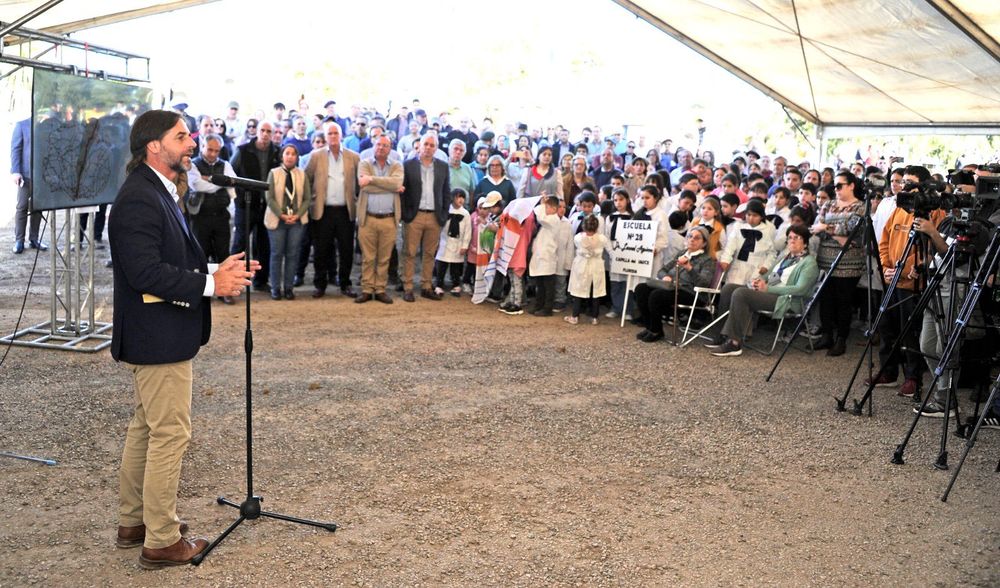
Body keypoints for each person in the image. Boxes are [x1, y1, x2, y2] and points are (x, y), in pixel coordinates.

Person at [109, 110, 258, 569]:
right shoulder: (139, 198)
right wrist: (213, 287)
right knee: (170, 433)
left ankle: (135, 522)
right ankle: (161, 540)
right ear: (155, 146)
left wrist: (216, 270)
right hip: (157, 336)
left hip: (158, 332)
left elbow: (171, 259)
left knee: (146, 429)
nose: (191, 143)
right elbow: (145, 273)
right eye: (181, 137)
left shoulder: (160, 190)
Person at [706, 225, 819, 356]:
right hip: (771, 294)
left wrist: (768, 288)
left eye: (797, 238)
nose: (792, 241)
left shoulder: (809, 263)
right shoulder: (786, 258)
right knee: (728, 288)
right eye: (790, 238)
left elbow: (801, 289)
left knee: (741, 294)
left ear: (805, 243)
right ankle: (721, 335)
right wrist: (757, 281)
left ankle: (734, 343)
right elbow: (768, 275)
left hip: (788, 300)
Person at [810, 170, 865, 357]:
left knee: (844, 302)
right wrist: (836, 233)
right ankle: (827, 336)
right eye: (835, 186)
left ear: (851, 185)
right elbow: (817, 227)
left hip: (849, 263)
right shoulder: (828, 204)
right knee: (826, 300)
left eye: (840, 185)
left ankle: (842, 339)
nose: (837, 189)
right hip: (825, 260)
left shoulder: (860, 207)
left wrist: (827, 228)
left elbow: (853, 228)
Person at [304, 121, 360, 298]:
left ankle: (345, 283)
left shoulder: (353, 157)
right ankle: (320, 284)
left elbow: (359, 184)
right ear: (325, 137)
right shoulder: (316, 156)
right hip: (323, 210)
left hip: (345, 211)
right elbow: (306, 179)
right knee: (321, 249)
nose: (333, 137)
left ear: (341, 135)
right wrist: (310, 200)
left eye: (336, 133)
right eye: (330, 134)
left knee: (346, 250)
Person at [632, 225, 716, 342]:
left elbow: (703, 283)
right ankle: (650, 327)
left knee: (656, 295)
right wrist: (665, 276)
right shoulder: (682, 254)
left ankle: (656, 330)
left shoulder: (707, 260)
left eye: (697, 238)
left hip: (691, 293)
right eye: (690, 236)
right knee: (641, 289)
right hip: (671, 287)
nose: (692, 239)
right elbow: (662, 270)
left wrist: (689, 268)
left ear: (704, 243)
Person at [186, 134, 237, 304]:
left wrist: (210, 180)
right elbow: (197, 185)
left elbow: (233, 185)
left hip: (222, 216)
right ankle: (202, 291)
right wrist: (221, 183)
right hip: (200, 217)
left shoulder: (226, 164)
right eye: (210, 149)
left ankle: (225, 290)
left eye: (217, 151)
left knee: (223, 255)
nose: (213, 154)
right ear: (202, 147)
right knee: (200, 254)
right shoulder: (192, 164)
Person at [230, 120, 280, 291]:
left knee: (263, 244)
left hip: (267, 206)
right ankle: (232, 282)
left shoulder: (277, 152)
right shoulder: (243, 150)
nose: (265, 134)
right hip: (245, 205)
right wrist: (239, 196)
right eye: (262, 130)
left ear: (273, 134)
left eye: (269, 131)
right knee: (240, 245)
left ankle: (260, 281)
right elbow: (231, 174)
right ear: (256, 132)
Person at [401, 133, 451, 302]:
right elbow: (403, 192)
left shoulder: (443, 167)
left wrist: (443, 215)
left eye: (432, 145)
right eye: (426, 144)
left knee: (429, 254)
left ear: (436, 148)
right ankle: (407, 287)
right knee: (409, 252)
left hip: (434, 217)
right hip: (414, 216)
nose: (428, 148)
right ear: (419, 146)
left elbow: (446, 192)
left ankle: (426, 286)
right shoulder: (408, 165)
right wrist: (405, 214)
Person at [354, 135, 404, 304]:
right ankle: (367, 289)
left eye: (385, 145)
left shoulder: (396, 165)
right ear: (373, 146)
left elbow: (397, 183)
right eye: (378, 144)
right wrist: (390, 186)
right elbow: (364, 186)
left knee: (384, 258)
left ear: (390, 148)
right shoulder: (364, 163)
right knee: (368, 257)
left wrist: (373, 180)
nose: (381, 148)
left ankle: (381, 289)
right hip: (368, 219)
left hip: (389, 220)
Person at [265, 145, 312, 300]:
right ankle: (276, 288)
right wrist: (281, 215)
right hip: (277, 220)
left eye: (293, 154)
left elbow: (307, 198)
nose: (290, 157)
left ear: (297, 157)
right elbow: (269, 197)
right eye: (287, 153)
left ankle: (289, 288)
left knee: (292, 254)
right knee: (276, 254)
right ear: (282, 156)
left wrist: (297, 215)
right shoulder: (274, 173)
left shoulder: (302, 174)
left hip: (297, 221)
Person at [719, 199, 777, 287]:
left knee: (747, 292)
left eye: (755, 215)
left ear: (761, 216)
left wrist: (766, 266)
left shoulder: (768, 229)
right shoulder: (738, 226)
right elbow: (730, 246)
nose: (751, 218)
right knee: (731, 289)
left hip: (756, 268)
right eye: (748, 215)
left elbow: (772, 252)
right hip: (738, 265)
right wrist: (725, 260)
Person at [10, 117, 46, 253]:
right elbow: (15, 149)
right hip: (26, 174)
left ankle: (34, 239)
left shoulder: (47, 125)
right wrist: (15, 171)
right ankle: (19, 240)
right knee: (22, 206)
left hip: (42, 176)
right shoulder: (22, 125)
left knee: (38, 207)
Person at [565, 215, 607, 325]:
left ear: (583, 226)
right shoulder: (602, 238)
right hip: (596, 265)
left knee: (578, 289)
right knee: (595, 291)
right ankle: (594, 317)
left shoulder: (578, 238)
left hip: (582, 265)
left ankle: (575, 316)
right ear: (597, 226)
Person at [528, 195, 562, 316]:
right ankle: (538, 305)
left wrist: (542, 204)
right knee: (540, 284)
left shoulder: (553, 219)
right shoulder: (548, 221)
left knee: (548, 286)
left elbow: (541, 218)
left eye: (547, 207)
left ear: (553, 208)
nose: (545, 209)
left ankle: (547, 309)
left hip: (548, 257)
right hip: (541, 256)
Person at [433, 189, 472, 296]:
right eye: (458, 197)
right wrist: (437, 241)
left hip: (458, 244)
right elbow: (439, 227)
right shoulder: (446, 211)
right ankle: (439, 284)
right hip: (445, 242)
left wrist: (465, 245)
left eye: (462, 197)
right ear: (452, 198)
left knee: (456, 267)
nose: (460, 200)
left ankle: (455, 285)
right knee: (441, 265)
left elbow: (468, 231)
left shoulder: (466, 214)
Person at [603, 189, 634, 319]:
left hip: (628, 254)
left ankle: (628, 310)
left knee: (628, 282)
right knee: (615, 282)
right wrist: (611, 252)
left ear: (627, 200)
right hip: (614, 252)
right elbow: (606, 236)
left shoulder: (633, 217)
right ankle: (616, 308)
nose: (618, 203)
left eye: (621, 199)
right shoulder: (610, 218)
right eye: (615, 200)